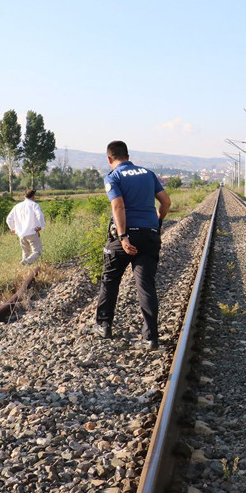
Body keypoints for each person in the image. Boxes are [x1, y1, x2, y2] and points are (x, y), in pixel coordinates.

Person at [92, 140, 171, 350]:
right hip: (149, 235)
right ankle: (150, 338)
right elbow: (166, 202)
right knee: (145, 285)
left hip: (126, 237)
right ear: (128, 155)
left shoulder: (113, 176)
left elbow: (118, 206)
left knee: (110, 279)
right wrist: (158, 221)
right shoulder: (148, 173)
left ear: (109, 158)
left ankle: (104, 325)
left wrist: (123, 236)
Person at [6, 189, 45, 265]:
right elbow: (39, 215)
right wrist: (41, 226)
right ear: (33, 197)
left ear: (25, 196)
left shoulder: (17, 206)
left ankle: (24, 268)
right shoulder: (34, 205)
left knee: (25, 252)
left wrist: (13, 229)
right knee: (37, 252)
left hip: (21, 234)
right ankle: (26, 262)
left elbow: (9, 219)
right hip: (32, 232)